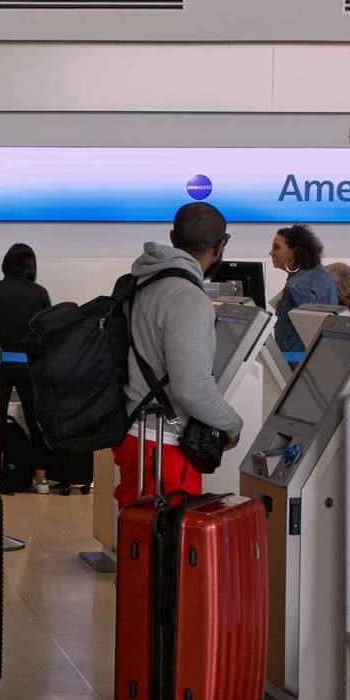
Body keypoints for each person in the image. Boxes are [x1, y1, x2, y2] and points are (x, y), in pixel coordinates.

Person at [113, 202, 244, 508]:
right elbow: (192, 388)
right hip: (165, 443)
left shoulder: (142, 281)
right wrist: (232, 424)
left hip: (135, 430)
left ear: (172, 238)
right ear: (220, 245)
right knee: (169, 544)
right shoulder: (187, 296)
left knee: (141, 535)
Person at [0, 244, 53, 491]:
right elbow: (46, 331)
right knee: (35, 421)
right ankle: (40, 478)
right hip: (30, 366)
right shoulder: (40, 293)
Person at [269, 224, 339, 353]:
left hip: (297, 360)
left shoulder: (299, 285)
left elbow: (312, 331)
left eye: (276, 248)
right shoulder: (320, 274)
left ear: (295, 251)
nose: (271, 253)